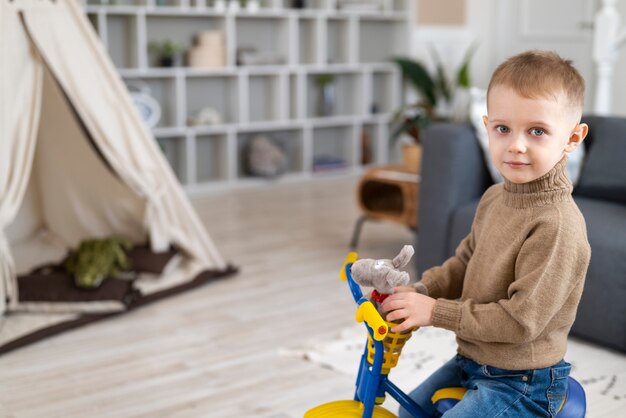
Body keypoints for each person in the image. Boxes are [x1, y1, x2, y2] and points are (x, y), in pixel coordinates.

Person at [381, 50, 592, 417]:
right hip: (474, 358)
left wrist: (435, 312)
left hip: (523, 380)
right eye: (503, 128)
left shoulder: (557, 226)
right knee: (408, 411)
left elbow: (519, 322)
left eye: (537, 131)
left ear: (572, 138)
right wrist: (421, 291)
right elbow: (465, 262)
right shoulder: (496, 197)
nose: (516, 144)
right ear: (486, 126)